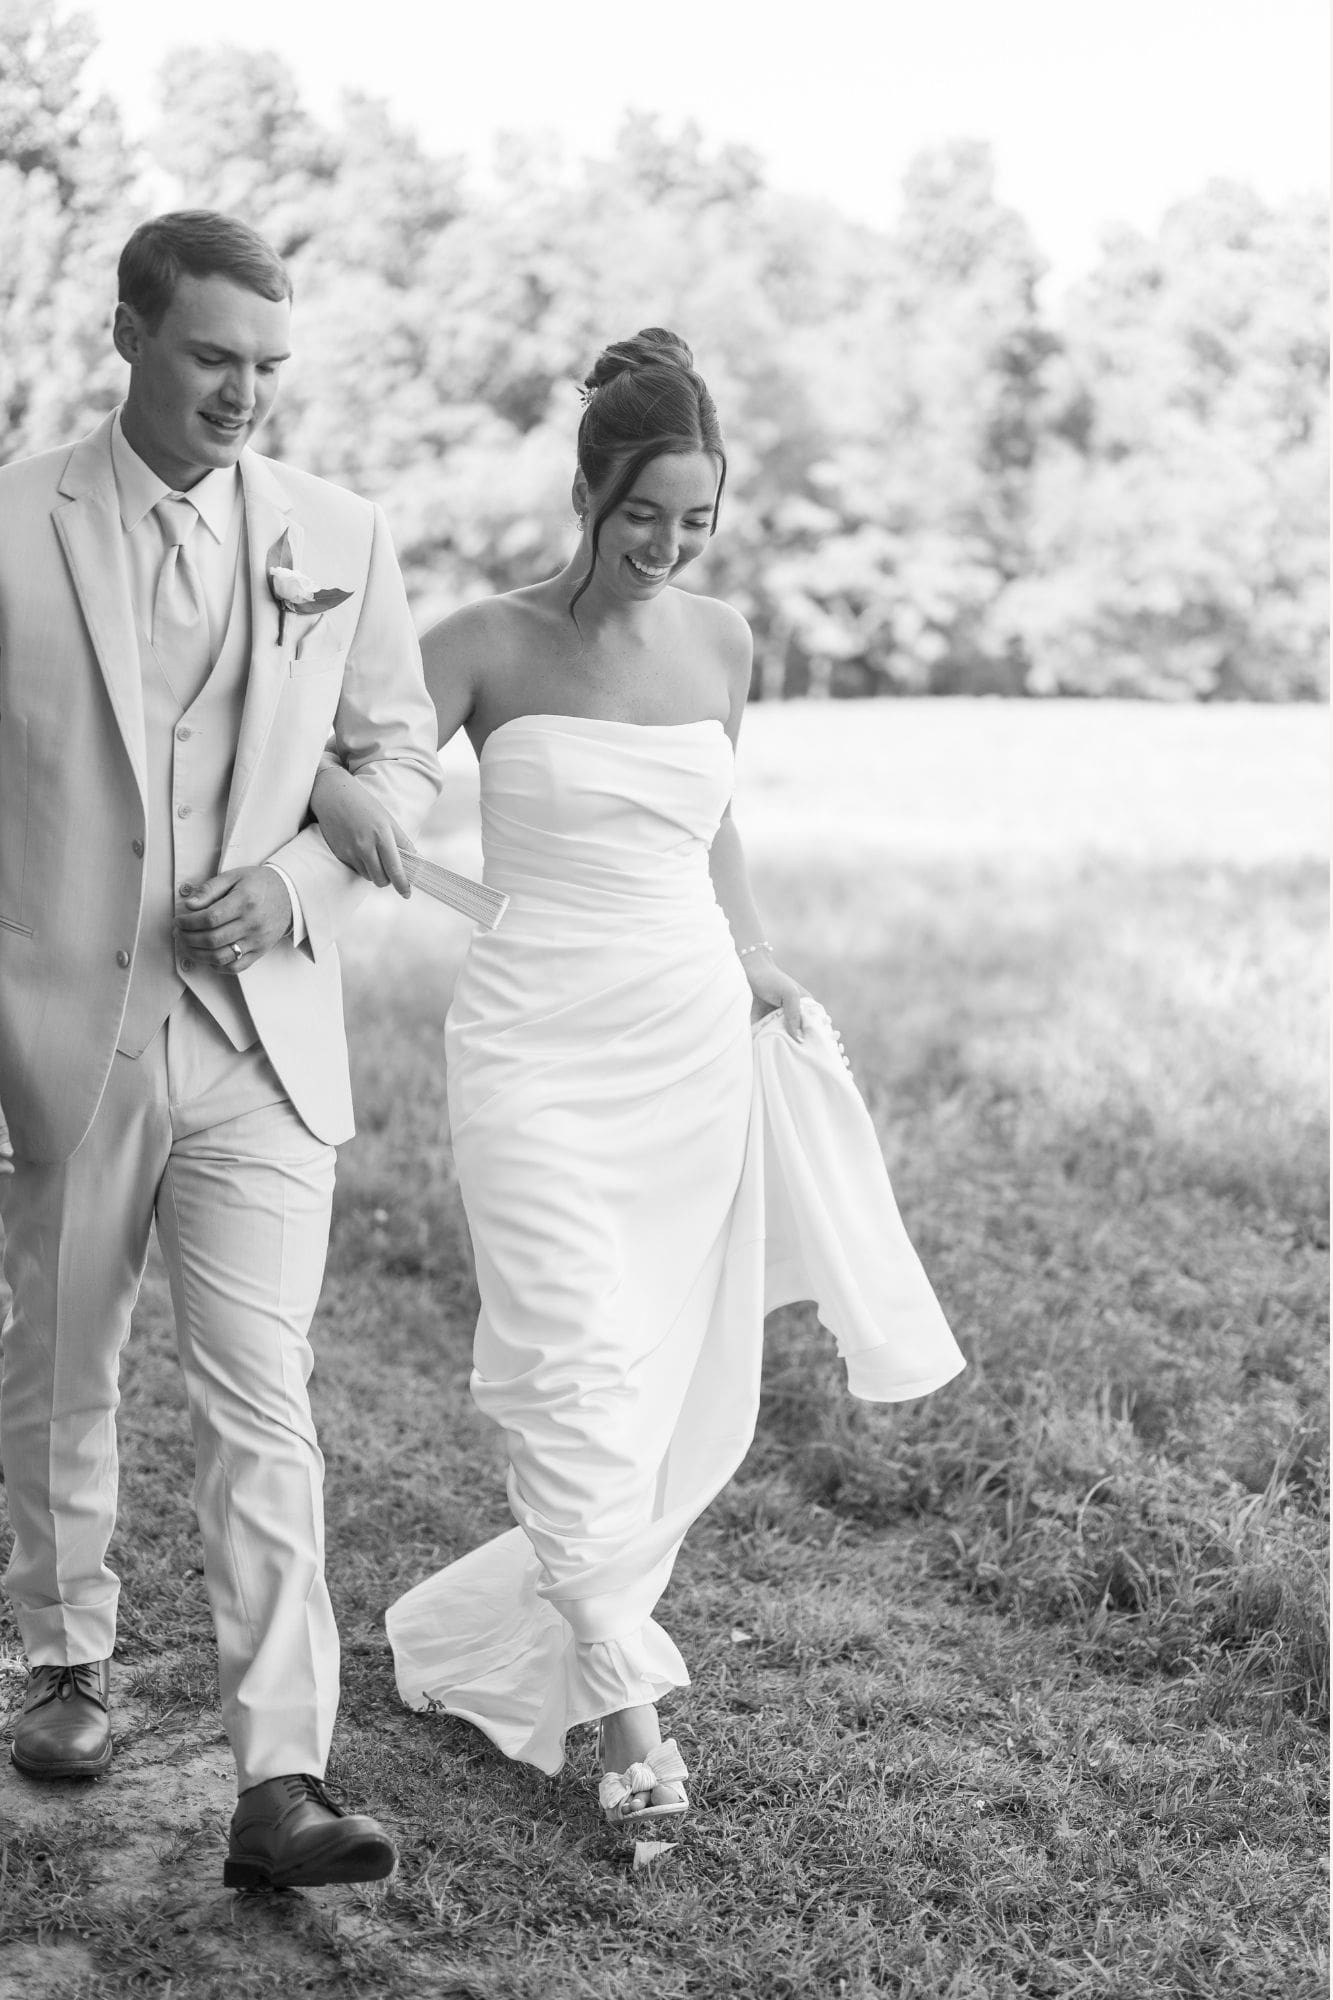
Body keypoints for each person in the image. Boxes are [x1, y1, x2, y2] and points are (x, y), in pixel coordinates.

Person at [311, 328, 965, 1830]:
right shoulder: (481, 640)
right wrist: (340, 789)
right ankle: (624, 1709)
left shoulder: (724, 644)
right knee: (565, 1358)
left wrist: (758, 956)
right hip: (533, 1038)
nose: (667, 547)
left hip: (683, 1033)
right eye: (641, 516)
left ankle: (583, 1650)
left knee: (654, 1370)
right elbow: (353, 758)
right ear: (588, 496)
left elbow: (711, 826)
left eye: (695, 520)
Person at [0, 211, 443, 1888]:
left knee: (264, 1399)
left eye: (269, 366)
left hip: (263, 1038)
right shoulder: (10, 518)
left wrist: (303, 872)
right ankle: (66, 1662)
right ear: (127, 336)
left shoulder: (337, 531)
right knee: (60, 1363)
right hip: (62, 1019)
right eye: (212, 358)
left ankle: (282, 1778)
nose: (246, 393)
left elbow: (400, 768)